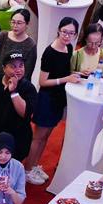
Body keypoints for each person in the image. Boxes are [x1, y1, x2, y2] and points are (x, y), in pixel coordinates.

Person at [25, 19, 82, 186]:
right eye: (64, 31)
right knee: (38, 137)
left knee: (46, 136)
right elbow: (43, 81)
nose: (67, 36)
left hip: (59, 98)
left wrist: (77, 73)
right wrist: (66, 79)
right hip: (46, 99)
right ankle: (27, 169)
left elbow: (64, 71)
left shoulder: (69, 48)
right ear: (58, 30)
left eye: (71, 33)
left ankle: (34, 165)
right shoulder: (50, 52)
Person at [0, 7, 36, 75]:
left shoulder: (30, 44)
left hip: (18, 82)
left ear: (27, 24)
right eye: (13, 22)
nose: (15, 26)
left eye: (19, 23)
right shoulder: (3, 36)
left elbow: (28, 72)